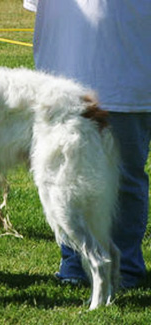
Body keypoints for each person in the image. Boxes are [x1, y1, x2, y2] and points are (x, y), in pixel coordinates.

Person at [26, 0, 151, 288]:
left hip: (127, 74)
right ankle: (74, 264)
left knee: (125, 177)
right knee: (64, 177)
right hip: (62, 79)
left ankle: (126, 268)